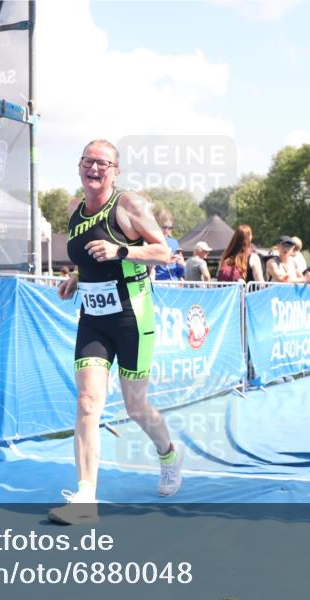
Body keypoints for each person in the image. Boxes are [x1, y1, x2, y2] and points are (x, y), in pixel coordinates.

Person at [51, 139, 183, 525]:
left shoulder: (129, 206)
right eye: (89, 162)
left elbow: (164, 252)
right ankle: (86, 497)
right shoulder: (75, 209)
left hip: (132, 315)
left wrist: (121, 251)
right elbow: (89, 256)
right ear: (79, 167)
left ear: (115, 171)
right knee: (88, 401)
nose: (95, 169)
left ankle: (168, 454)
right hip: (93, 316)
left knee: (135, 407)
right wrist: (76, 278)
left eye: (103, 164)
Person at [153, 208, 185, 281]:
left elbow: (179, 273)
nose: (167, 231)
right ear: (156, 225)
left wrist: (181, 266)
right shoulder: (149, 242)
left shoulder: (174, 243)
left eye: (170, 228)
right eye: (164, 227)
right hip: (158, 285)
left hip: (174, 284)